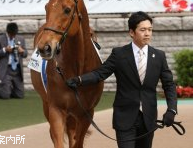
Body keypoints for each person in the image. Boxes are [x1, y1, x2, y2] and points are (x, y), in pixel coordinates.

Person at [66, 11, 177, 148]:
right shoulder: (119, 54)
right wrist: (79, 80)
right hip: (124, 118)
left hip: (149, 119)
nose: (147, 33)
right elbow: (100, 73)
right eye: (143, 30)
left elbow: (169, 85)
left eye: (150, 29)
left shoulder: (159, 56)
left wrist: (172, 110)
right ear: (132, 32)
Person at [0, 22, 28, 99]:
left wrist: (22, 51)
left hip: (17, 70)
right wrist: (5, 49)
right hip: (6, 70)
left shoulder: (21, 39)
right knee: (5, 96)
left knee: (20, 95)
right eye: (11, 35)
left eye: (14, 35)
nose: (13, 37)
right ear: (7, 32)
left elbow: (25, 54)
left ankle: (9, 88)